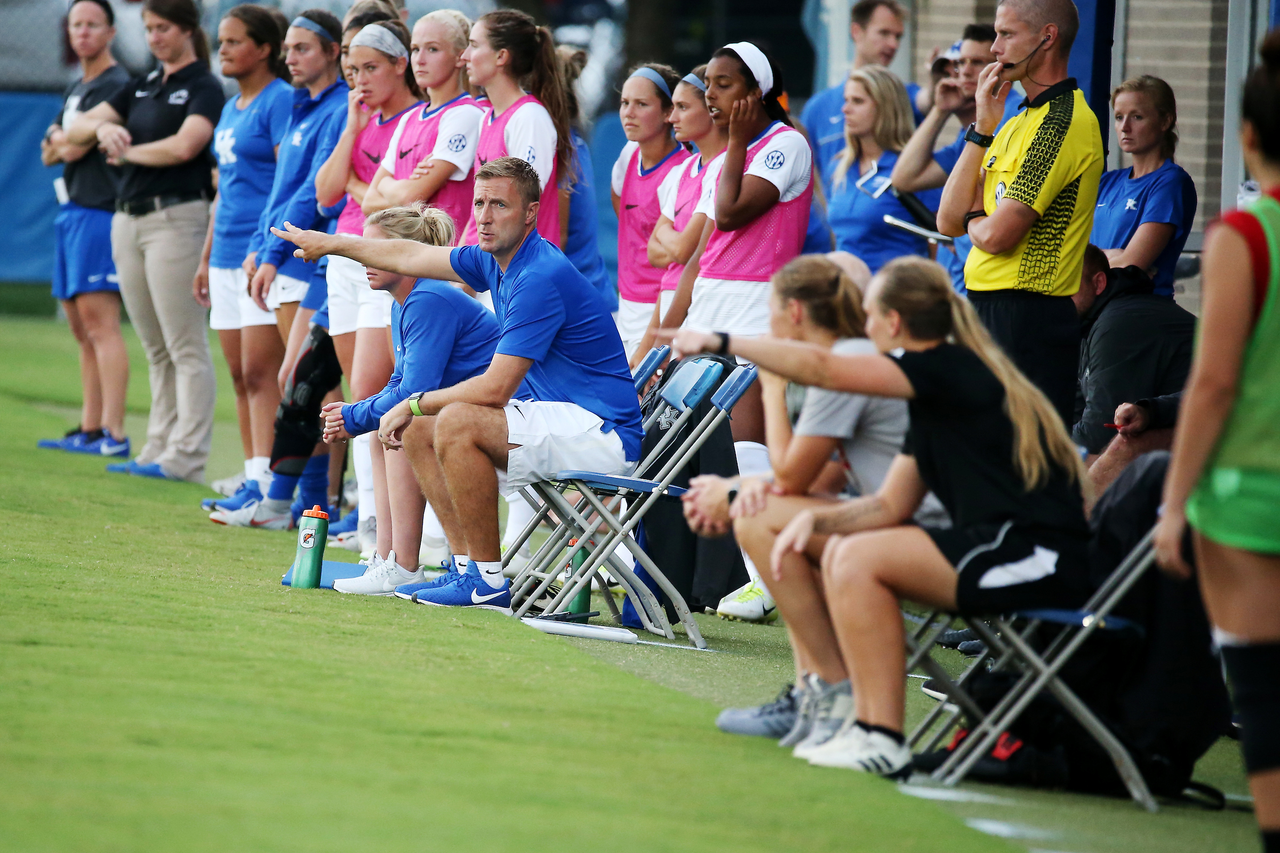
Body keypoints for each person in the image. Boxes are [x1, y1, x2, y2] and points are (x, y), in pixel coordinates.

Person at [666, 255, 1091, 777]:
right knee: (836, 542)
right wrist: (815, 522)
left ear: (893, 324)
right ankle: (857, 721)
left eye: (869, 315)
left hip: (1038, 556)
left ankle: (878, 734)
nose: (862, 327)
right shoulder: (929, 393)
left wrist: (721, 341)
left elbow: (824, 372)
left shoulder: (945, 368)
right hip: (986, 544)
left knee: (856, 556)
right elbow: (890, 504)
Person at [273, 156, 643, 614]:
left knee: (453, 420)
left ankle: (487, 579)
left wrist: (414, 402)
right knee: (425, 427)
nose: (484, 217)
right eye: (479, 203)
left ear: (530, 213)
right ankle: (467, 567)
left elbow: (494, 390)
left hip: (601, 432)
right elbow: (409, 254)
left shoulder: (538, 276)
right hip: (564, 417)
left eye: (499, 205)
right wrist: (329, 243)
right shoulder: (495, 262)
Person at [1156, 32, 1280, 853]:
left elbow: (1214, 381)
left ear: (1245, 135)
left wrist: (1174, 502)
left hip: (1252, 492)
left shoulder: (1247, 232)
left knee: (1265, 691)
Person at [316, 204, 514, 594]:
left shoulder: (429, 298)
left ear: (405, 254)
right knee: (393, 422)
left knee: (402, 423)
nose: (363, 261)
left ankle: (403, 565)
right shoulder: (403, 301)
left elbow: (411, 393)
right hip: (469, 418)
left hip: (504, 423)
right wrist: (355, 415)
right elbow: (401, 382)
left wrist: (354, 417)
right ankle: (390, 559)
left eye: (374, 251)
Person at [67, 0, 223, 482]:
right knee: (154, 346)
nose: (155, 37)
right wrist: (108, 125)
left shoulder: (203, 85)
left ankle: (187, 455)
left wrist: (126, 149)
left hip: (176, 218)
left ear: (187, 31)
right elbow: (77, 129)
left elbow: (184, 146)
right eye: (150, 28)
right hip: (127, 219)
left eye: (164, 28)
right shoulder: (143, 83)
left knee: (184, 344)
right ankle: (158, 446)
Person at [937, 0, 1104, 427]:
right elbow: (946, 219)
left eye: (1006, 35)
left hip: (1027, 315)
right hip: (984, 306)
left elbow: (995, 235)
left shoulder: (1064, 121)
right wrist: (982, 127)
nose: (994, 49)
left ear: (1047, 37)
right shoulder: (1013, 121)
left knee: (1019, 464)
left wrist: (976, 218)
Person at [211, 9, 347, 527]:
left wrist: (271, 252)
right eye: (288, 48)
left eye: (302, 49)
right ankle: (298, 502)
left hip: (304, 256)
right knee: (300, 382)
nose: (291, 58)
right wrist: (259, 244)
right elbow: (279, 192)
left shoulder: (335, 109)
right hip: (281, 252)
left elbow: (314, 193)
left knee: (310, 382)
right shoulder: (300, 105)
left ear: (333, 51)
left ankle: (321, 505)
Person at [315, 18, 423, 559]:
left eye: (370, 68)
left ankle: (383, 529)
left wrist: (367, 191)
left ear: (400, 65)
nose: (359, 80)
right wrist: (353, 128)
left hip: (382, 260)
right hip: (345, 259)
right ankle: (370, 517)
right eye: (352, 70)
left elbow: (383, 204)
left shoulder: (413, 122)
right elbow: (328, 192)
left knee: (375, 392)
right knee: (360, 395)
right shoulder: (359, 117)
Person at [675, 42, 814, 443]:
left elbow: (730, 213)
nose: (711, 95)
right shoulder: (724, 159)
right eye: (707, 85)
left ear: (757, 94)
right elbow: (700, 257)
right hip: (709, 301)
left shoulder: (787, 144)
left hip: (756, 308)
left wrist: (735, 142)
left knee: (745, 451)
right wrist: (670, 337)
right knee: (691, 448)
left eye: (724, 84)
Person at [194, 4, 294, 511]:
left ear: (265, 49)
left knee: (262, 372)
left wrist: (266, 243)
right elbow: (225, 189)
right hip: (225, 254)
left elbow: (285, 181)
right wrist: (206, 255)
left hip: (260, 254)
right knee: (239, 374)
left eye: (234, 41)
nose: (224, 50)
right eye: (221, 41)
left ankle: (273, 484)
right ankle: (253, 474)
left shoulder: (279, 101)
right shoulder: (233, 106)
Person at [38, 0, 131, 457]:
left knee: (101, 324)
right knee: (79, 327)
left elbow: (70, 150)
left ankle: (114, 433)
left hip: (99, 212)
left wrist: (66, 140)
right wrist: (67, 139)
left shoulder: (117, 84)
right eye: (77, 24)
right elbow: (49, 151)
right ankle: (90, 426)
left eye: (93, 24)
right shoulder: (77, 85)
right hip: (71, 212)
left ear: (110, 32)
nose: (84, 33)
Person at [890, 24, 1014, 292]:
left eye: (977, 62)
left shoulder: (1012, 111)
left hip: (995, 272)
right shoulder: (970, 132)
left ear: (1000, 66)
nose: (965, 71)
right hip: (969, 275)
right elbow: (904, 178)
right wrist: (939, 110)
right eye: (960, 63)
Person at [632, 65, 726, 364]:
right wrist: (648, 346)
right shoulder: (683, 170)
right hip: (672, 312)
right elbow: (655, 255)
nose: (672, 118)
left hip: (699, 314)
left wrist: (665, 233)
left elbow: (686, 249)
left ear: (712, 110)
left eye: (682, 107)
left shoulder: (723, 168)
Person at [457, 9, 573, 247]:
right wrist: (458, 268)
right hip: (487, 272)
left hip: (518, 275)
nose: (465, 56)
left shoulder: (529, 118)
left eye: (474, 45)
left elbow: (518, 211)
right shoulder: (487, 116)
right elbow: (477, 212)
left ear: (501, 56)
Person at [361, 10, 481, 234]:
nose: (420, 59)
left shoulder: (465, 114)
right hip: (405, 258)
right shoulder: (409, 118)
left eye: (433, 49)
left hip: (442, 256)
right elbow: (368, 202)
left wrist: (389, 185)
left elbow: (409, 197)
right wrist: (407, 188)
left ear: (459, 57)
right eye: (415, 49)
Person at [1071, 244, 1194, 461]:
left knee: (1121, 443)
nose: (1055, 293)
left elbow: (1097, 437)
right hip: (1186, 429)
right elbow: (1076, 415)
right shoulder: (1089, 321)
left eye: (1067, 283)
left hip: (1228, 431)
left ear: (1098, 283)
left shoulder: (1118, 324)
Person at [800, 0, 923, 198]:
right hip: (834, 219)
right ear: (857, 31)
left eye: (898, 36)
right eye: (884, 33)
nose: (893, 44)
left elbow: (929, 101)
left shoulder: (904, 96)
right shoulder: (817, 108)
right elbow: (807, 178)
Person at [1091, 75, 1197, 299]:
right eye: (1119, 117)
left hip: (1139, 310)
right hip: (1095, 310)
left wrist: (1095, 260)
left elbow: (1132, 264)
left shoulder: (1170, 182)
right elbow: (1067, 252)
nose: (1125, 127)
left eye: (1137, 117)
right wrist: (1113, 255)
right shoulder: (1106, 182)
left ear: (1165, 121)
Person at [610, 63, 689, 359]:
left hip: (659, 306)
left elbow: (682, 259)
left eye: (641, 104)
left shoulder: (681, 171)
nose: (628, 112)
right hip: (626, 303)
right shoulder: (629, 154)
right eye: (624, 102)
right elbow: (622, 203)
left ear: (669, 113)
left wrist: (651, 342)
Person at [826, 66, 927, 273]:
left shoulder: (914, 168)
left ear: (885, 108)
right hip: (846, 295)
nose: (845, 109)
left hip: (897, 295)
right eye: (846, 100)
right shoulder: (839, 167)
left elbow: (938, 242)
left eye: (858, 101)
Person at [556, 46, 612, 308]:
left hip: (577, 303)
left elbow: (559, 235)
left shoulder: (562, 150)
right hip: (590, 294)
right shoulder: (575, 143)